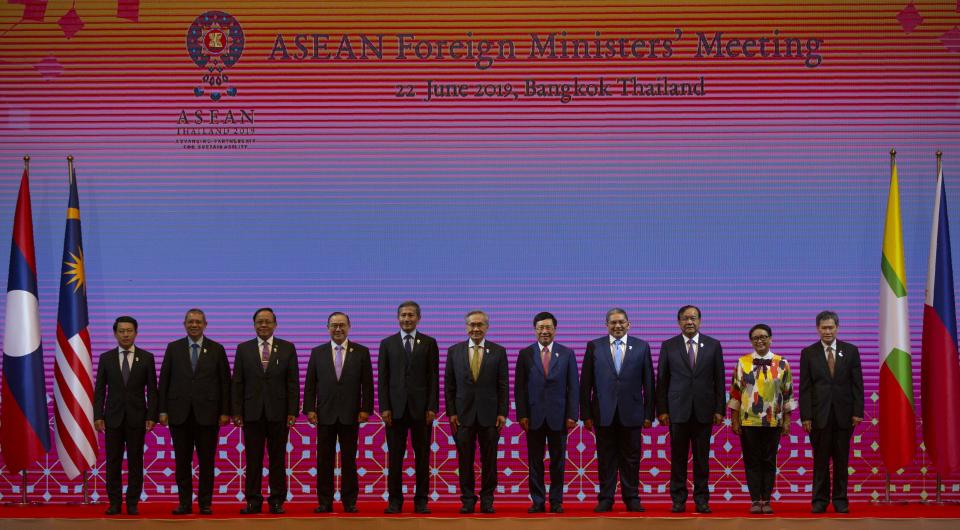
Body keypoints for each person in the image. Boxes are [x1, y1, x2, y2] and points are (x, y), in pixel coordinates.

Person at [580, 308, 655, 513]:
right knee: (605, 459)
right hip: (603, 413)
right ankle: (606, 498)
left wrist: (649, 414)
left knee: (631, 459)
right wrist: (585, 414)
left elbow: (649, 383)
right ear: (606, 325)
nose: (617, 326)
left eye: (621, 322)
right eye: (613, 323)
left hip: (632, 413)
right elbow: (586, 383)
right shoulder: (594, 346)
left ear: (628, 324)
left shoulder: (641, 346)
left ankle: (632, 498)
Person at [158, 308, 231, 515]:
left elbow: (225, 382)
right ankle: (185, 503)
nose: (194, 325)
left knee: (207, 462)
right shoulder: (173, 348)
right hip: (179, 414)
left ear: (205, 325)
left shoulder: (217, 349)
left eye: (198, 322)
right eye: (190, 321)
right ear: (184, 324)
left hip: (208, 415)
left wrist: (225, 411)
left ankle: (205, 503)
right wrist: (162, 410)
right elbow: (164, 381)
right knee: (182, 462)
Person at [656, 305, 725, 513]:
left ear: (700, 321)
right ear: (678, 322)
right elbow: (662, 380)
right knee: (678, 458)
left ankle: (702, 499)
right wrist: (662, 410)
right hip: (677, 411)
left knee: (702, 459)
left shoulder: (713, 345)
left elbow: (719, 380)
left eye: (693, 318)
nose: (689, 322)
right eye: (685, 318)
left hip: (704, 410)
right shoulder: (668, 346)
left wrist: (719, 409)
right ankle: (678, 499)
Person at [304, 311, 374, 513]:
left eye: (342, 325)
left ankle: (349, 501)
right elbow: (310, 384)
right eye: (334, 325)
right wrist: (309, 408)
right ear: (327, 328)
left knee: (349, 460)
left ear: (349, 327)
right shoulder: (317, 352)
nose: (338, 329)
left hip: (351, 414)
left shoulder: (361, 352)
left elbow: (367, 384)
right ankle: (324, 501)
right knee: (323, 460)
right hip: (324, 414)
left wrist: (365, 409)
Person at [231, 308, 299, 515]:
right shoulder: (243, 349)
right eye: (259, 321)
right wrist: (237, 411)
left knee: (278, 459)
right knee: (253, 459)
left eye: (268, 322)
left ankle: (277, 500)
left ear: (275, 325)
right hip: (252, 412)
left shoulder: (287, 348)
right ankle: (253, 501)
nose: (263, 325)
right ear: (254, 325)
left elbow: (292, 383)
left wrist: (293, 411)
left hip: (279, 413)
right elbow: (237, 383)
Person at [378, 301, 440, 514]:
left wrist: (432, 406)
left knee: (422, 457)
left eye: (411, 315)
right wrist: (384, 407)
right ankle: (395, 501)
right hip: (394, 411)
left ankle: (421, 500)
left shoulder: (429, 343)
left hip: (422, 411)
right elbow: (383, 379)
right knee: (395, 457)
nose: (407, 318)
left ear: (418, 318)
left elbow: (433, 377)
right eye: (403, 315)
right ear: (398, 318)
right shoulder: (387, 343)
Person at [729, 324, 797, 514]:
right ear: (751, 341)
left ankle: (766, 500)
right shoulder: (743, 362)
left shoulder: (782, 363)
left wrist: (787, 420)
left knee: (768, 461)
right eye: (756, 338)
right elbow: (735, 392)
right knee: (751, 461)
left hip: (773, 421)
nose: (760, 340)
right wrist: (734, 420)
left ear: (771, 339)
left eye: (764, 337)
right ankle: (754, 501)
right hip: (748, 420)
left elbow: (788, 393)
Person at [445, 310, 508, 514]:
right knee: (465, 460)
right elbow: (449, 386)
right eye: (472, 325)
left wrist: (502, 412)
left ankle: (487, 500)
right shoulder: (454, 351)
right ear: (466, 327)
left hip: (490, 416)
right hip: (463, 416)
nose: (476, 328)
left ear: (487, 327)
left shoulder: (498, 351)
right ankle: (468, 500)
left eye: (480, 324)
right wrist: (452, 413)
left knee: (489, 461)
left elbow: (503, 386)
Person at [800, 311, 864, 514]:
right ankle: (819, 501)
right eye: (824, 327)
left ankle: (840, 500)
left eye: (831, 327)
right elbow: (805, 388)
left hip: (844, 416)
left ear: (837, 327)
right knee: (820, 461)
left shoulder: (851, 351)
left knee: (841, 460)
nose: (827, 331)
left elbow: (857, 385)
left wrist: (857, 411)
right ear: (817, 328)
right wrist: (806, 416)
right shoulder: (808, 353)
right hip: (819, 416)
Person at [514, 312, 578, 514]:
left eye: (548, 327)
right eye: (540, 328)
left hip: (559, 417)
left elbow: (573, 387)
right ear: (535, 330)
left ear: (555, 330)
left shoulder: (567, 353)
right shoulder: (525, 354)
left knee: (558, 462)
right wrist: (522, 414)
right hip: (533, 417)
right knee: (535, 461)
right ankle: (538, 501)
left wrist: (572, 415)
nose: (544, 331)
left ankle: (557, 501)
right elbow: (520, 388)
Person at [93, 316, 158, 516]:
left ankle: (132, 503)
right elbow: (100, 391)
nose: (126, 334)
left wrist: (152, 415)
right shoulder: (106, 358)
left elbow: (152, 391)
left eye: (129, 331)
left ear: (136, 333)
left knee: (135, 462)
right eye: (121, 331)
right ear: (115, 334)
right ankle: (114, 502)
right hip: (112, 419)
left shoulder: (147, 357)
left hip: (138, 418)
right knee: (113, 461)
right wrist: (98, 415)